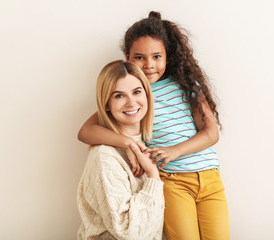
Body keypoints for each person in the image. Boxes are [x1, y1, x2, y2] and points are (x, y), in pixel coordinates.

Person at [78, 11, 230, 240]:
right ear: (127, 56)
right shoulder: (135, 92)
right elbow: (86, 131)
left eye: (157, 56)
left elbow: (211, 133)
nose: (149, 65)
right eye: (140, 57)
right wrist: (129, 144)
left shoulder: (187, 85)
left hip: (210, 177)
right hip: (172, 181)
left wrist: (174, 151)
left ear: (168, 56)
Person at [77, 60, 165, 240]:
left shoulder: (147, 145)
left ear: (147, 95)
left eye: (137, 92)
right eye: (119, 96)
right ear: (106, 104)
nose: (131, 102)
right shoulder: (105, 157)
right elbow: (128, 232)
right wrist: (153, 177)